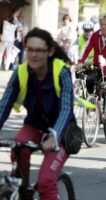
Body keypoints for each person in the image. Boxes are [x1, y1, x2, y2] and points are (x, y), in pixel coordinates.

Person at [0, 27, 74, 200]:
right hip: (34, 125)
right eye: (30, 49)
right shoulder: (21, 72)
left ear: (50, 52)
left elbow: (66, 108)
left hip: (61, 131)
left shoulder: (61, 72)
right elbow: (4, 106)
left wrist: (54, 135)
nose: (33, 55)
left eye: (39, 50)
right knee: (18, 148)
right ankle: (23, 190)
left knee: (45, 183)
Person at [76, 13, 106, 135]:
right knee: (89, 80)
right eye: (101, 24)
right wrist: (80, 62)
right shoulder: (95, 36)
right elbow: (86, 49)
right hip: (99, 67)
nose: (102, 27)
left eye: (105, 25)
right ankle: (93, 104)